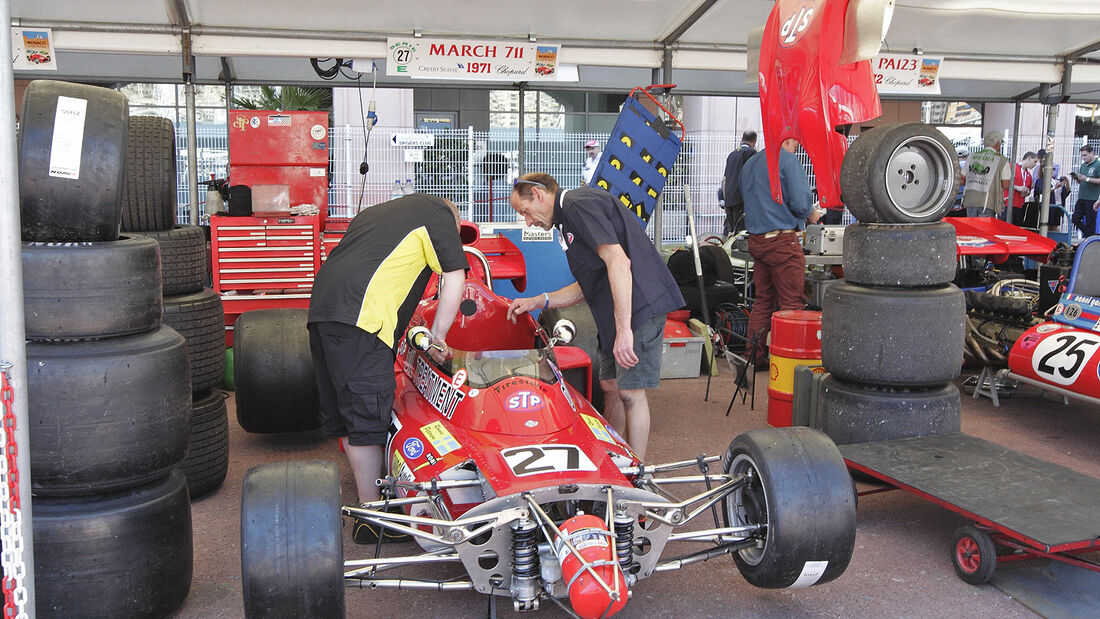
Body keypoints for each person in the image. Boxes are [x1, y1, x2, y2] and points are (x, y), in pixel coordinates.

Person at [307, 193, 467, 540]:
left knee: (348, 413)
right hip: (362, 319)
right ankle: (372, 518)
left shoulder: (381, 212)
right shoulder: (438, 213)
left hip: (322, 313)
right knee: (368, 415)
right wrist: (437, 339)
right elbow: (454, 276)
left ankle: (371, 501)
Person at [505, 173, 684, 461]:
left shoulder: (578, 204)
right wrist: (540, 300)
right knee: (611, 387)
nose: (528, 221)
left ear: (538, 194)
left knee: (630, 392)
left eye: (525, 212)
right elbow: (588, 283)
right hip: (615, 311)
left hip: (638, 307)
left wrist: (624, 331)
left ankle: (635, 475)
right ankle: (611, 458)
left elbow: (618, 261)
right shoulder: (566, 220)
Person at [739, 138, 823, 369]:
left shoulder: (751, 164)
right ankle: (788, 365)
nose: (798, 144)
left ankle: (752, 359)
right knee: (792, 304)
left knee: (763, 302)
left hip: (757, 241)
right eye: (796, 139)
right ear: (788, 137)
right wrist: (811, 214)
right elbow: (800, 203)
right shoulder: (787, 162)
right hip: (782, 242)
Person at [961, 131, 1012, 218]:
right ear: (998, 144)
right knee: (984, 229)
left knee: (971, 229)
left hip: (970, 199)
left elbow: (962, 180)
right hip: (988, 201)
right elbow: (1006, 184)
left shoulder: (972, 156)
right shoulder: (1002, 160)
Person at [722, 130, 758, 234]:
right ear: (755, 140)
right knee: (741, 233)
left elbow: (724, 179)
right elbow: (752, 176)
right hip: (741, 199)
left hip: (729, 198)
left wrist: (724, 199)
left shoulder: (732, 154)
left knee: (730, 231)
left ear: (742, 139)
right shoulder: (750, 153)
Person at [1072, 145, 1100, 238]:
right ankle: (1089, 235)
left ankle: (1090, 237)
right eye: (1082, 156)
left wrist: (1087, 179)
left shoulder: (1098, 165)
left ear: (1092, 153)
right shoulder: (1083, 166)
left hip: (1092, 198)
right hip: (1082, 196)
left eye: (1085, 155)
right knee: (1075, 218)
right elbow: (1082, 180)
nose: (1083, 157)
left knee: (1090, 221)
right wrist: (1077, 178)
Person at [1007, 151, 1037, 227]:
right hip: (1007, 203)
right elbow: (1003, 182)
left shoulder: (1029, 176)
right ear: (1029, 158)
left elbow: (1028, 190)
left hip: (1019, 205)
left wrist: (1027, 192)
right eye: (1035, 161)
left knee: (1016, 229)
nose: (1035, 164)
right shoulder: (1012, 167)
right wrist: (1017, 187)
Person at [946, 145, 969, 217]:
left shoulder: (950, 167)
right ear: (967, 155)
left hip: (950, 202)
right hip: (964, 203)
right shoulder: (969, 166)